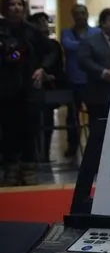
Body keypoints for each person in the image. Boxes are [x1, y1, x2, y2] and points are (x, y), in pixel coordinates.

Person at [0, 0, 55, 183]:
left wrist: (42, 68)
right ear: (4, 9)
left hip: (30, 86)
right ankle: (11, 167)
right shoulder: (1, 30)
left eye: (19, 4)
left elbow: (51, 51)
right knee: (8, 129)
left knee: (30, 129)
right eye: (11, 4)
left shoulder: (32, 30)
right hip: (6, 87)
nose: (16, 8)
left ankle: (28, 167)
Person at [60, 4, 99, 157]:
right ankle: (73, 145)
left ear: (87, 14)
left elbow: (97, 48)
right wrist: (87, 44)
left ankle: (95, 146)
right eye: (76, 13)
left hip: (91, 80)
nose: (80, 16)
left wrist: (83, 45)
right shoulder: (67, 32)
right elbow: (68, 46)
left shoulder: (96, 31)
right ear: (73, 15)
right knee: (72, 116)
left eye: (82, 13)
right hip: (73, 79)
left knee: (94, 114)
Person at [28, 12, 66, 163]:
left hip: (49, 88)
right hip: (31, 88)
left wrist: (50, 76)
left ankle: (45, 154)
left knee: (48, 122)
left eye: (44, 20)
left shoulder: (54, 45)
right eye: (39, 21)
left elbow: (59, 67)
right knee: (33, 123)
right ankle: (34, 155)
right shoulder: (29, 44)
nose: (43, 23)